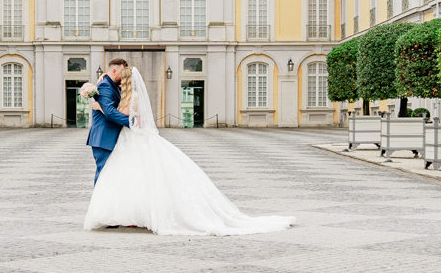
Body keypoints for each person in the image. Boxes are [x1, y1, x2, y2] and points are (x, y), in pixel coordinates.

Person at [84, 63, 294, 236]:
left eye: (122, 79)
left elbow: (123, 116)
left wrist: (101, 106)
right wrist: (102, 95)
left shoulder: (129, 95)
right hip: (117, 139)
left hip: (131, 138)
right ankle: (119, 214)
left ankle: (118, 214)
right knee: (121, 176)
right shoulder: (113, 88)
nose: (120, 81)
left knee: (126, 176)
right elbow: (114, 109)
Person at [86, 57, 133, 184]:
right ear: (114, 70)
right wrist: (131, 123)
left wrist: (105, 74)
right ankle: (98, 198)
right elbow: (110, 112)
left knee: (110, 174)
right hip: (104, 137)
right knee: (103, 173)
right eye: (122, 71)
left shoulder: (112, 84)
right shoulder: (105, 86)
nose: (123, 75)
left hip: (110, 137)